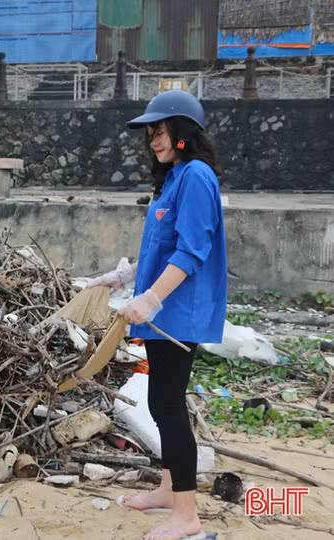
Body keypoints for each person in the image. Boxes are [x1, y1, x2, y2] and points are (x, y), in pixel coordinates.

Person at [87, 90, 227, 540]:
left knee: (167, 405)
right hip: (162, 310)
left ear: (184, 132)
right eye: (150, 134)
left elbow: (192, 251)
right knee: (160, 403)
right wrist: (125, 276)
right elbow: (162, 247)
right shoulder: (174, 179)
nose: (153, 141)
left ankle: (186, 515)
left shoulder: (197, 177)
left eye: (161, 131)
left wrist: (151, 300)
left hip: (177, 313)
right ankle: (169, 489)